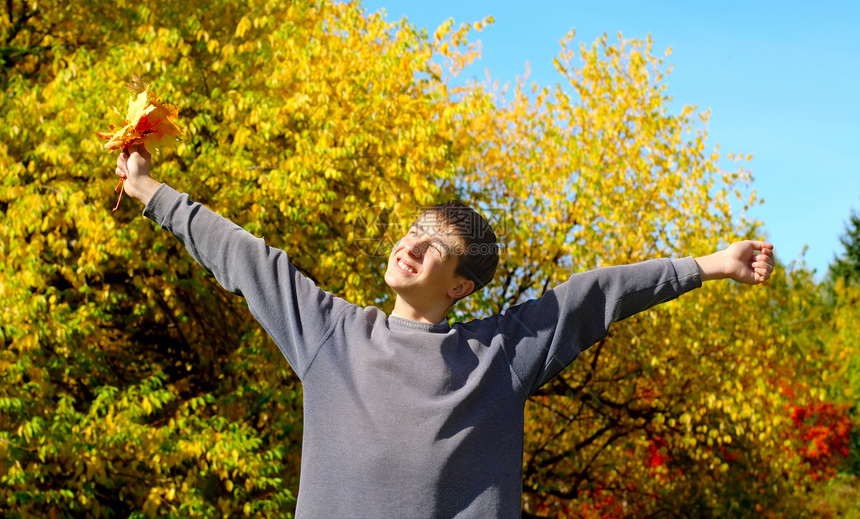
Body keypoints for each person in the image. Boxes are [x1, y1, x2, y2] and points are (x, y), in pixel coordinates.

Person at [116, 144, 774, 518]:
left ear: (459, 284)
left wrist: (710, 264)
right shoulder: (329, 333)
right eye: (414, 231)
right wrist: (149, 190)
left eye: (435, 246)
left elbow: (595, 293)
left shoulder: (498, 356)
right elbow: (242, 254)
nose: (413, 246)